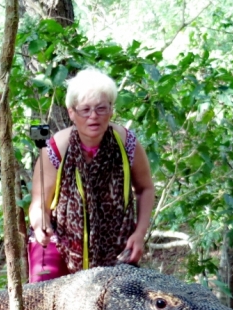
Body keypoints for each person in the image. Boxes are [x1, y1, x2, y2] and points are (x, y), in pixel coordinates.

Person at [28, 68, 155, 276]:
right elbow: (39, 203)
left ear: (111, 110)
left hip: (116, 242)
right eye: (85, 110)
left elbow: (145, 188)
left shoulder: (127, 144)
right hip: (59, 242)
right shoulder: (56, 149)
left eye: (101, 109)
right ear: (72, 113)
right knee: (42, 295)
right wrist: (40, 222)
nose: (93, 116)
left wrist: (140, 233)